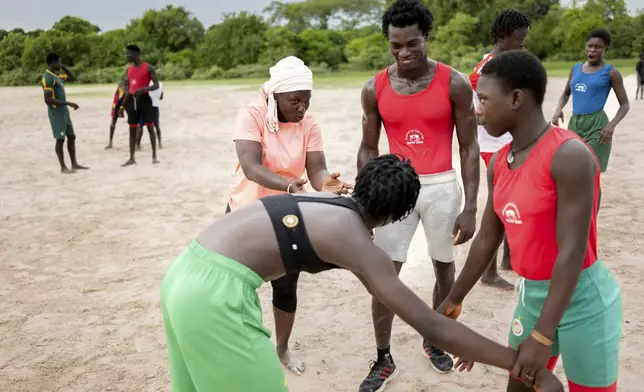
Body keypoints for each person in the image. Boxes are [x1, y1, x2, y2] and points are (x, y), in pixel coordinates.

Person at [160, 154, 565, 392]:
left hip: (184, 272)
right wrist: (516, 364)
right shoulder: (357, 241)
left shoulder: (328, 204)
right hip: (214, 297)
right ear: (401, 213)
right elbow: (432, 326)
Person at [438, 50, 623, 392]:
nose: (476, 110)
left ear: (516, 98)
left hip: (581, 298)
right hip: (533, 296)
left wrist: (542, 334)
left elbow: (571, 251)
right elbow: (486, 239)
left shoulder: (569, 156)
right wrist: (454, 297)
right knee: (519, 386)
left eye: (484, 99)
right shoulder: (500, 162)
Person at [356, 1, 479, 388]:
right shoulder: (374, 87)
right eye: (396, 46)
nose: (404, 52)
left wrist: (471, 205)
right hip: (395, 188)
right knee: (384, 273)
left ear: (426, 37)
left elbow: (470, 147)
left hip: (442, 186)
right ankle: (383, 357)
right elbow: (368, 147)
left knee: (444, 266)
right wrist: (364, 200)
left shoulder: (455, 83)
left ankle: (435, 337)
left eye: (412, 43)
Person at [228, 55, 352, 375]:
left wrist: (328, 183)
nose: (302, 108)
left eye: (307, 101)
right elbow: (253, 167)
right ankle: (238, 346)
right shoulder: (252, 115)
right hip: (246, 211)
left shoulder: (308, 124)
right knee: (235, 286)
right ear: (275, 96)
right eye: (295, 100)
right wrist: (288, 186)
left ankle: (281, 349)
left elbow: (316, 170)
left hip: (285, 215)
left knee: (286, 286)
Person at [469, 9, 532, 290]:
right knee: (499, 205)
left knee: (514, 199)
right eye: (519, 39)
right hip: (493, 146)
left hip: (505, 142)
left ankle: (508, 258)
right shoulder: (490, 68)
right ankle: (489, 272)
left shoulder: (502, 63)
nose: (523, 44)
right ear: (504, 37)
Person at [552, 28, 629, 175]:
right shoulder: (575, 69)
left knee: (591, 173)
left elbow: (625, 104)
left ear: (605, 49)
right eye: (590, 46)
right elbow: (566, 93)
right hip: (575, 124)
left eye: (598, 47)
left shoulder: (611, 73)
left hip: (597, 126)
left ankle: (593, 198)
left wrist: (611, 125)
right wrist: (558, 109)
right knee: (573, 170)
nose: (592, 50)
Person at [41, 53, 89, 174]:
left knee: (72, 136)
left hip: (64, 112)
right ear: (52, 62)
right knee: (60, 139)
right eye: (59, 62)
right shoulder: (48, 78)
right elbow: (47, 100)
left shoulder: (57, 76)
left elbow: (72, 77)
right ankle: (63, 167)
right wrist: (68, 103)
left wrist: (63, 66)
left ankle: (74, 164)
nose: (60, 64)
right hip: (56, 113)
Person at [121, 44, 160, 166]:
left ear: (137, 54)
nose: (127, 56)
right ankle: (132, 157)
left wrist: (143, 89)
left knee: (150, 127)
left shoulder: (148, 67)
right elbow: (128, 88)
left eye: (129, 54)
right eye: (126, 53)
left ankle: (154, 155)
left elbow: (156, 85)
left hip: (144, 100)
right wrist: (122, 105)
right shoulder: (128, 69)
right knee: (132, 129)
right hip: (132, 101)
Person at [136, 79, 164, 150]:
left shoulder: (146, 83)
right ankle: (160, 144)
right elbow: (161, 97)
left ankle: (138, 145)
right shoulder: (160, 84)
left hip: (146, 105)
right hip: (155, 106)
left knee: (141, 125)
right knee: (156, 125)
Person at [105, 78, 127, 149]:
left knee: (134, 122)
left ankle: (136, 144)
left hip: (126, 99)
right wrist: (121, 107)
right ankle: (110, 142)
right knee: (113, 121)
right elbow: (123, 94)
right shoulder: (123, 82)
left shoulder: (127, 81)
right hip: (120, 100)